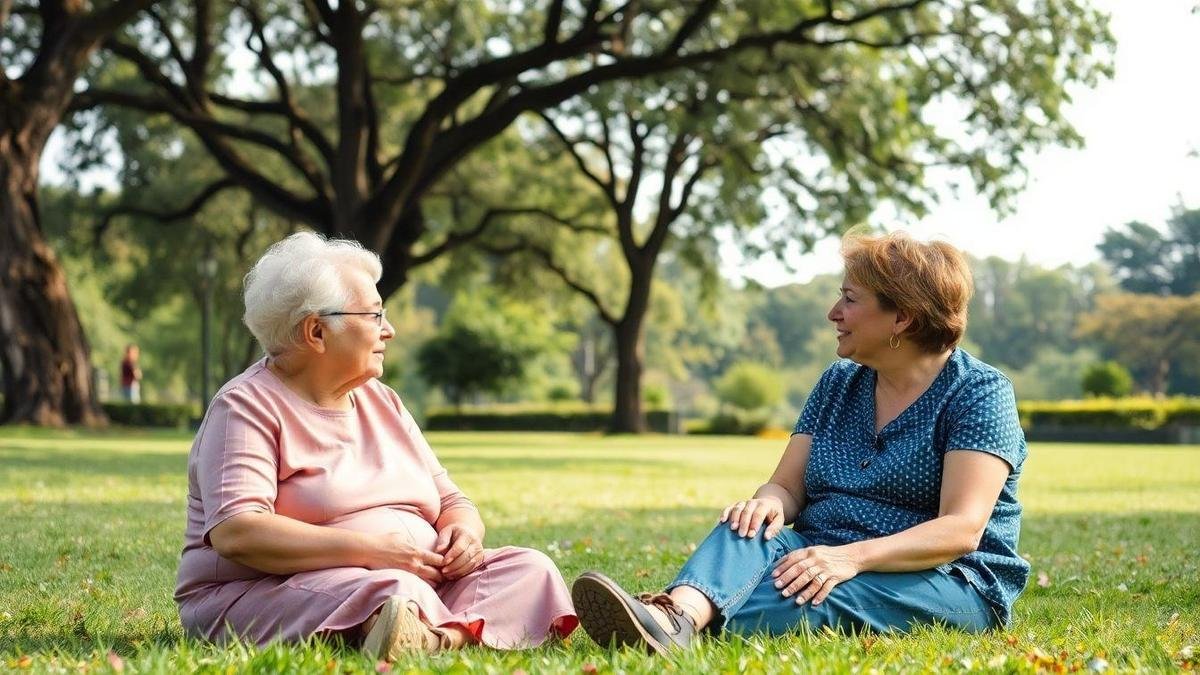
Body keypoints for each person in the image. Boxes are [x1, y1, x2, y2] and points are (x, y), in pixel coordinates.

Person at [572, 231, 1029, 653]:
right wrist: (767, 504)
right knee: (746, 526)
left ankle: (670, 617)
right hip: (817, 551)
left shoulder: (979, 393)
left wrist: (851, 558)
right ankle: (677, 618)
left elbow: (961, 529)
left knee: (814, 596)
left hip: (946, 579)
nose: (834, 313)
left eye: (849, 300)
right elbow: (786, 488)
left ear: (902, 317)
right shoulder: (838, 383)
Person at [174, 232, 577, 659]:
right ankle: (417, 625)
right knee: (391, 591)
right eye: (374, 315)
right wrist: (373, 552)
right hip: (263, 590)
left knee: (529, 568)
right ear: (316, 331)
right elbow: (238, 532)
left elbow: (452, 500)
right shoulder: (245, 407)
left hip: (412, 577)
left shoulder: (382, 400)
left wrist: (464, 534)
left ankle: (432, 637)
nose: (390, 330)